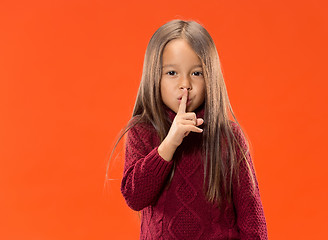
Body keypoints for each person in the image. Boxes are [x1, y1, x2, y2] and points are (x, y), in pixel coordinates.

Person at [108, 19, 268, 239]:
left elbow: (252, 218)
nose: (185, 84)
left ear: (211, 76)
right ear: (155, 76)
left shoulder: (228, 136)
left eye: (197, 73)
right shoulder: (142, 130)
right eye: (172, 73)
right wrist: (169, 144)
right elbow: (134, 197)